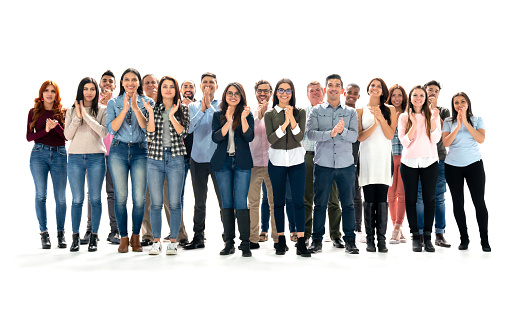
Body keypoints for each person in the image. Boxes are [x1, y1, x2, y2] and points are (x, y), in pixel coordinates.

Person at [307, 74, 359, 254]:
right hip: (323, 164)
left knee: (348, 204)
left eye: (337, 85)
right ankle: (317, 240)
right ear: (325, 89)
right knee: (320, 204)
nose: (334, 88)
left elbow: (354, 136)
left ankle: (350, 240)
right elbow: (310, 134)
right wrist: (330, 133)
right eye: (330, 85)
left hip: (346, 165)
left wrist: (342, 130)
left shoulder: (351, 112)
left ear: (342, 90)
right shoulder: (316, 111)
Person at [106, 68, 153, 253]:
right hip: (118, 150)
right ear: (122, 82)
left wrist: (134, 107)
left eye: (134, 79)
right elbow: (111, 129)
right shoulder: (113, 102)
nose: (130, 83)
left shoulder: (147, 101)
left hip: (140, 150)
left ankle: (136, 237)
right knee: (121, 197)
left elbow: (146, 129)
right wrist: (124, 109)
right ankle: (123, 237)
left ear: (139, 83)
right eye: (127, 79)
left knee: (139, 199)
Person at [264, 78, 310, 257]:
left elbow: (299, 138)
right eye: (281, 90)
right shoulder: (270, 114)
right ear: (276, 93)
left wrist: (291, 119)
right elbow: (271, 139)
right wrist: (284, 123)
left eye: (288, 90)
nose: (284, 93)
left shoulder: (300, 112)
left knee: (298, 201)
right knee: (278, 202)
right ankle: (280, 240)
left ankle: (301, 241)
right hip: (276, 161)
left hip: (297, 161)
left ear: (292, 93)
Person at [144, 76, 189, 255]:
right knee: (155, 203)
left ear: (175, 89)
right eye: (165, 86)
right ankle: (156, 241)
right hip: (155, 158)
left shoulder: (182, 108)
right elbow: (150, 134)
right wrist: (152, 113)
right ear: (160, 89)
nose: (168, 89)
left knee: (174, 203)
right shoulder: (153, 108)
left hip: (176, 158)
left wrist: (171, 116)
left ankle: (173, 241)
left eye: (171, 86)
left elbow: (183, 132)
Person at [442, 92, 490, 252]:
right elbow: (446, 142)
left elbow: (480, 139)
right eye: (456, 102)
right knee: (458, 203)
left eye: (463, 101)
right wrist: (457, 125)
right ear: (453, 105)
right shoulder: (448, 122)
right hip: (452, 167)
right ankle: (464, 238)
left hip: (474, 165)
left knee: (479, 202)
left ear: (468, 103)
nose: (459, 104)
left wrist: (466, 123)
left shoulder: (477, 119)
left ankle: (484, 240)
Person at [64, 77, 107, 252]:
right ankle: (75, 237)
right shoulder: (71, 110)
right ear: (80, 91)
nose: (89, 92)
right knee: (77, 200)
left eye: (92, 89)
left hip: (96, 157)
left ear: (96, 92)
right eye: (86, 89)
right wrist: (78, 117)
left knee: (95, 199)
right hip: (75, 157)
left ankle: (94, 237)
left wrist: (86, 116)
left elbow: (103, 133)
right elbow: (67, 135)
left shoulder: (103, 109)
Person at [211, 83, 255, 256]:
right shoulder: (218, 115)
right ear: (225, 96)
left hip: (241, 163)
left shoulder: (247, 114)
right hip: (223, 164)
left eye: (236, 93)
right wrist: (228, 121)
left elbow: (249, 136)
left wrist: (242, 119)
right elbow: (216, 138)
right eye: (230, 93)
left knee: (241, 202)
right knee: (227, 203)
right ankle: (229, 243)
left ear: (241, 96)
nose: (233, 96)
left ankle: (245, 244)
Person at [398, 85, 441, 252]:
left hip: (430, 162)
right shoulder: (403, 117)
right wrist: (414, 124)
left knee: (430, 199)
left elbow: (436, 139)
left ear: (425, 98)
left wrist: (432, 119)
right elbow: (405, 142)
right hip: (409, 163)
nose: (418, 98)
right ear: (410, 97)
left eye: (421, 95)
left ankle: (428, 237)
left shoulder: (432, 115)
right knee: (411, 200)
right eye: (415, 95)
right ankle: (415, 236)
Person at [184, 72, 224, 249]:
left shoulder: (222, 106)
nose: (208, 85)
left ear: (217, 86)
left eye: (211, 82)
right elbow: (189, 128)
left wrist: (210, 108)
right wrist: (202, 109)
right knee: (199, 201)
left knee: (224, 200)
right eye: (205, 82)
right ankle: (198, 236)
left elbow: (223, 126)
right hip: (198, 158)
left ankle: (228, 236)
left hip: (217, 159)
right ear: (200, 86)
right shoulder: (192, 106)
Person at [356, 78, 396, 252]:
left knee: (382, 199)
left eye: (379, 86)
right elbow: (360, 137)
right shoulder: (360, 110)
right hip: (366, 158)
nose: (375, 88)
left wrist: (381, 117)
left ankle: (382, 240)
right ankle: (370, 240)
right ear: (368, 89)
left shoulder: (391, 110)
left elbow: (389, 135)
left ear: (383, 91)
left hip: (383, 159)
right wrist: (375, 123)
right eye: (372, 85)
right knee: (368, 199)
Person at [302, 81, 343, 248]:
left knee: (333, 199)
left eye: (318, 90)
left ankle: (335, 236)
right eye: (311, 91)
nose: (315, 93)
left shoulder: (331, 111)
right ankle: (306, 235)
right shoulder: (302, 113)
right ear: (307, 94)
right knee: (307, 198)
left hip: (328, 158)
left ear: (323, 92)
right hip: (308, 157)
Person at [27, 80, 67, 249]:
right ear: (42, 94)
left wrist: (56, 126)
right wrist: (46, 131)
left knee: (61, 198)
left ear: (56, 95)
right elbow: (29, 137)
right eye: (46, 91)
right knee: (41, 195)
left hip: (59, 154)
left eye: (53, 91)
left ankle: (60, 233)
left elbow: (67, 137)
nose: (49, 94)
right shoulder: (34, 112)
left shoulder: (63, 112)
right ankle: (44, 233)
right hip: (39, 155)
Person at [82, 70, 120, 245]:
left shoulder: (119, 103)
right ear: (99, 84)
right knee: (93, 194)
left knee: (113, 194)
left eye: (110, 81)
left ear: (114, 85)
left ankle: (115, 231)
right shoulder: (91, 104)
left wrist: (111, 104)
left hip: (113, 154)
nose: (106, 83)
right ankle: (91, 231)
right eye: (104, 81)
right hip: (95, 153)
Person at [415, 80, 451, 248]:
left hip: (440, 158)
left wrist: (435, 112)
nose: (433, 93)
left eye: (436, 91)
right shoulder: (416, 110)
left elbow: (445, 134)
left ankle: (439, 234)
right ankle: (421, 233)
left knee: (438, 196)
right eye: (430, 90)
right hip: (421, 158)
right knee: (421, 197)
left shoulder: (443, 111)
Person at [248, 80, 279, 249]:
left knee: (274, 202)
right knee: (253, 202)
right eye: (260, 91)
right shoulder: (249, 112)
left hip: (273, 163)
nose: (262, 94)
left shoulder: (276, 112)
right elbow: (247, 134)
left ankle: (277, 239)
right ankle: (253, 239)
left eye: (266, 91)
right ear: (255, 93)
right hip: (253, 163)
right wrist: (258, 116)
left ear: (271, 93)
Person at [386, 84, 408, 244]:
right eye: (393, 95)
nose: (396, 98)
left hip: (406, 156)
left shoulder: (409, 114)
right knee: (390, 195)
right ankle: (397, 228)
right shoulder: (386, 113)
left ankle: (397, 226)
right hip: (389, 156)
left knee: (402, 194)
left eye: (399, 95)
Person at [344, 83, 364, 242]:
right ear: (344, 93)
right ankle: (335, 230)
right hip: (337, 158)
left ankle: (357, 228)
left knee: (356, 195)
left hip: (355, 159)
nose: (351, 95)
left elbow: (360, 135)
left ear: (359, 96)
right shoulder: (338, 111)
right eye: (349, 92)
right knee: (335, 197)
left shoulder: (359, 113)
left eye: (355, 93)